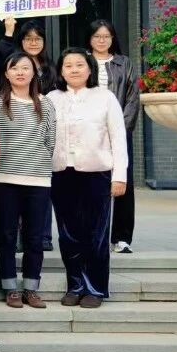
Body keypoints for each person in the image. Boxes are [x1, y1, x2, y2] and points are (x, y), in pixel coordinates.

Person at [47, 48, 127, 309]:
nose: (74, 69)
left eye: (79, 64)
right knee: (68, 234)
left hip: (96, 173)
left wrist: (120, 176)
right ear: (61, 71)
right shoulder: (51, 99)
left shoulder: (105, 98)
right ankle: (75, 286)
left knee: (96, 234)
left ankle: (95, 288)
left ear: (90, 68)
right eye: (68, 65)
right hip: (61, 173)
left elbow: (118, 138)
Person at [0, 52, 56, 308]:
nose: (20, 72)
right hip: (4, 179)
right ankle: (9, 287)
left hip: (37, 180)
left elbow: (50, 141)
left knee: (34, 237)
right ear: (6, 73)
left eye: (25, 68)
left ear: (34, 73)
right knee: (6, 235)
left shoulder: (46, 104)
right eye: (14, 68)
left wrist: (38, 164)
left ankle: (31, 287)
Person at [88, 20, 141, 253]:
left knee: (122, 182)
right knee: (92, 184)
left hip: (118, 131)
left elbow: (132, 98)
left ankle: (121, 237)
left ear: (112, 39)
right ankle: (93, 233)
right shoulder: (82, 61)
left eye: (106, 36)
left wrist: (121, 129)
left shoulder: (124, 63)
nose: (102, 40)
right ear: (90, 38)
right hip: (89, 132)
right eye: (97, 36)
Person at [0, 18, 55, 92]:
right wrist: (9, 31)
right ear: (22, 41)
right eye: (28, 39)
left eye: (38, 39)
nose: (33, 43)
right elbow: (4, 48)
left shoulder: (50, 66)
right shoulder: (13, 61)